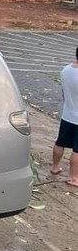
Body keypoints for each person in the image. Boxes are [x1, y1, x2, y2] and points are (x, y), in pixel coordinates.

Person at [51, 46, 78, 187]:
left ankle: (55, 167)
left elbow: (64, 93)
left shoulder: (65, 70)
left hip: (67, 114)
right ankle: (74, 177)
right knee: (77, 150)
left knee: (60, 142)